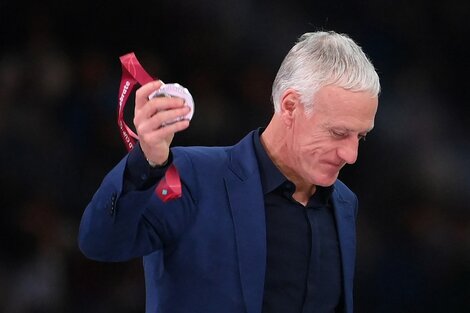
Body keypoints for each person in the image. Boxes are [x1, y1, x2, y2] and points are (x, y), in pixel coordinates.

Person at [79, 31, 380, 313]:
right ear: (290, 107)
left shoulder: (343, 202)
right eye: (338, 133)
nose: (351, 155)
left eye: (361, 136)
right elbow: (100, 242)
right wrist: (147, 162)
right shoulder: (192, 177)